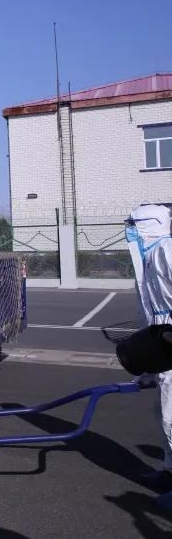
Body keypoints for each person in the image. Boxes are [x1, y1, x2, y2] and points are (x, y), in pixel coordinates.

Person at [125, 204, 172, 509]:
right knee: (162, 413)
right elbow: (149, 309)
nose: (129, 230)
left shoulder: (167, 251)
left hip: (170, 341)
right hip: (162, 344)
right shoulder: (149, 256)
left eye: (134, 224)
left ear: (151, 224)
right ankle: (168, 470)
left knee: (171, 416)